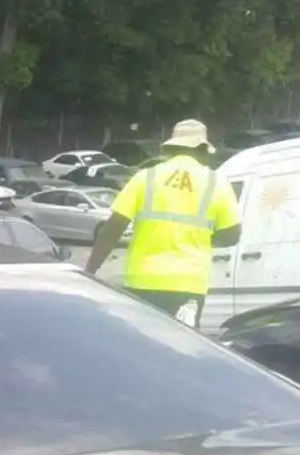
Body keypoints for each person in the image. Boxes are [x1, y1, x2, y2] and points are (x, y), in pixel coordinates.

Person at [83, 119, 241, 328]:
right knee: (179, 350)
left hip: (141, 282)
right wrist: (200, 239)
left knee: (143, 347)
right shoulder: (217, 182)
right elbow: (232, 234)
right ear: (203, 149)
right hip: (189, 284)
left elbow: (113, 227)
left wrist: (89, 273)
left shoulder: (145, 177)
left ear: (171, 148)